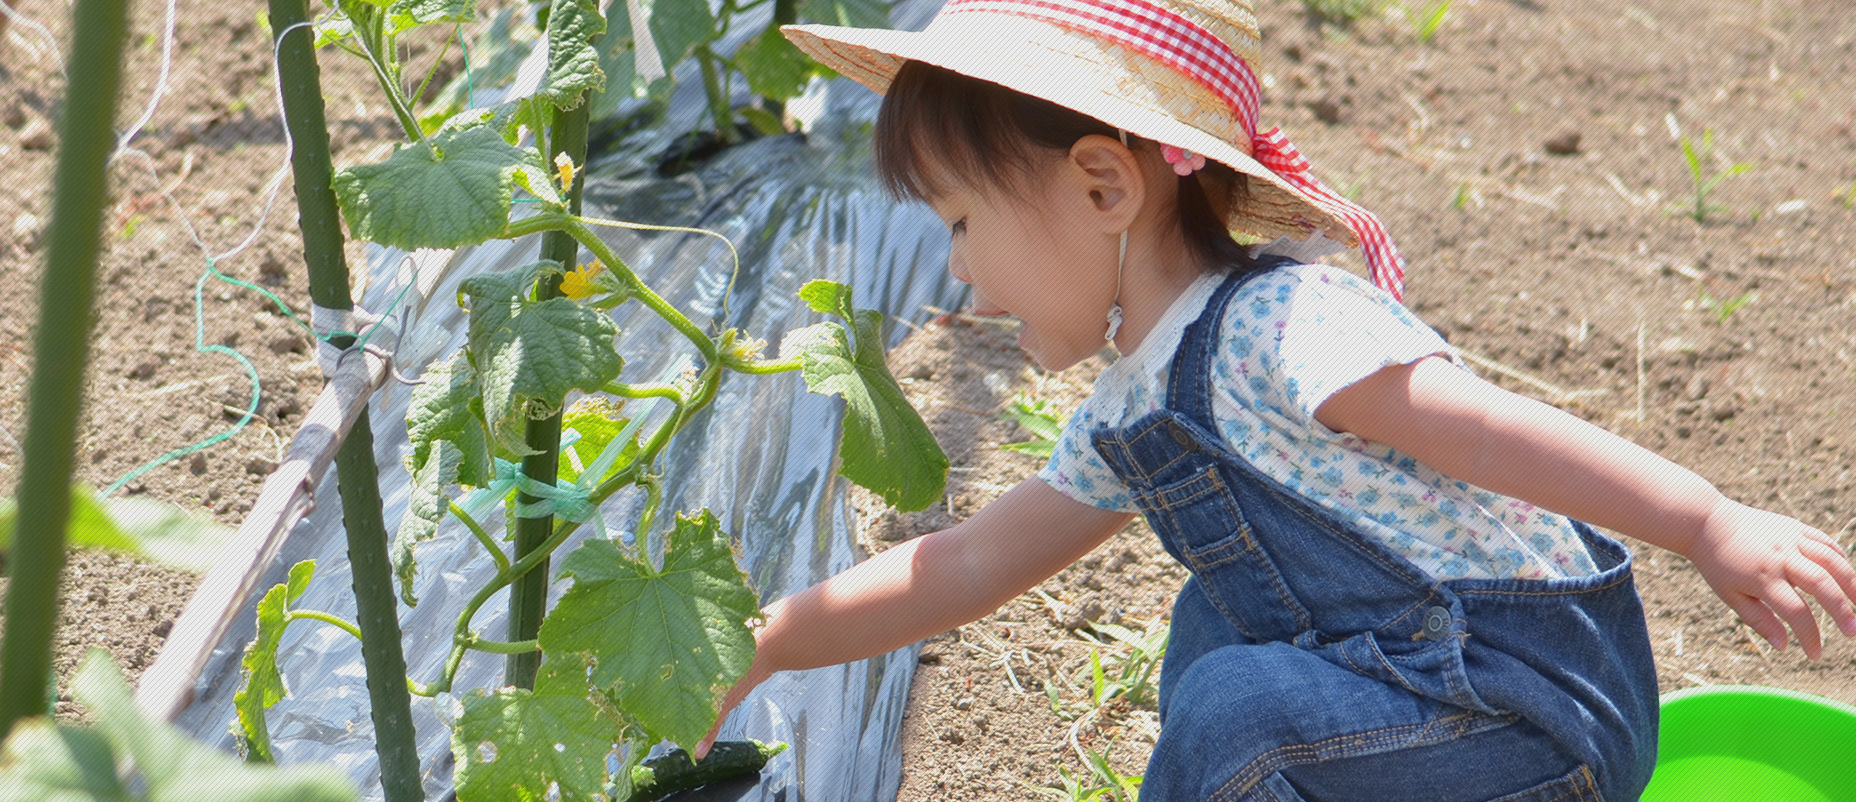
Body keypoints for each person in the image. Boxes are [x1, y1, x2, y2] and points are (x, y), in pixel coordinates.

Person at [697, 1, 1856, 798]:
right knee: (1215, 637)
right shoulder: (1130, 405)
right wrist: (765, 645)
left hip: (1526, 714)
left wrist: (1708, 522)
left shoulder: (1286, 327)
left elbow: (1499, 431)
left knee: (1238, 704)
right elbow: (960, 567)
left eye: (960, 220)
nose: (956, 268)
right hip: (1418, 710)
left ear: (1103, 183)